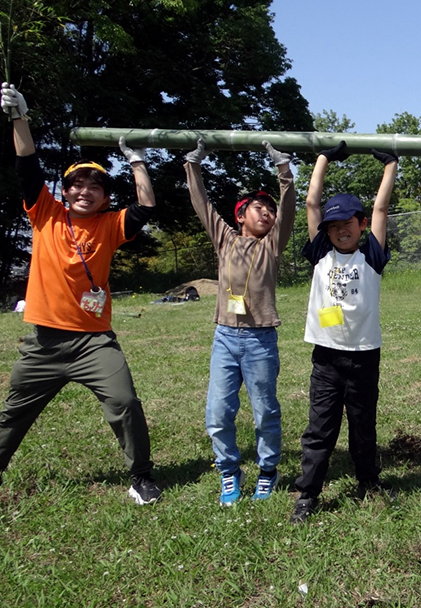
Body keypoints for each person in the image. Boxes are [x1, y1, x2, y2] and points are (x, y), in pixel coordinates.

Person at [0, 82, 161, 504]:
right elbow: (27, 164)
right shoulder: (45, 214)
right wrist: (20, 117)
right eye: (76, 185)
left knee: (125, 401)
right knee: (13, 415)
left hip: (93, 343)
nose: (84, 191)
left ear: (106, 196)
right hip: (43, 343)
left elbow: (146, 206)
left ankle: (141, 477)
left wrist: (137, 160)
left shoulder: (110, 225)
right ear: (66, 191)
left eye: (95, 187)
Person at [182, 138, 296, 505]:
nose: (267, 213)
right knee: (218, 413)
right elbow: (202, 204)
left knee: (265, 411)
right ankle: (229, 472)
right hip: (225, 337)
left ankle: (267, 471)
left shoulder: (272, 246)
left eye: (270, 210)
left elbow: (290, 209)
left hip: (261, 339)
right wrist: (193, 165)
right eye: (259, 208)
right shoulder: (225, 241)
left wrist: (284, 172)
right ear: (240, 215)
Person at [290, 143, 398, 523]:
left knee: (363, 423)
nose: (339, 231)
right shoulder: (322, 253)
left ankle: (368, 481)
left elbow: (381, 208)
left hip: (365, 353)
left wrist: (391, 165)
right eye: (333, 227)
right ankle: (307, 494)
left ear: (360, 225)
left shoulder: (371, 254)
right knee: (320, 427)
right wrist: (323, 158)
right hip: (327, 356)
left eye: (346, 225)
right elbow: (311, 205)